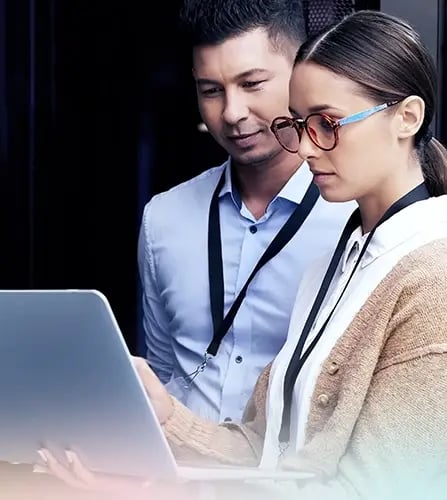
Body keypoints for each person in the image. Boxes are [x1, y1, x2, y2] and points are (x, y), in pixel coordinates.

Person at [42, 10, 447, 500]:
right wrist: (164, 414)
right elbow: (268, 456)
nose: (307, 146)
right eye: (298, 124)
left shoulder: (446, 281)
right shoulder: (338, 263)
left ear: (407, 117)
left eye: (327, 123)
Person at [139, 0, 355, 425]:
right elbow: (161, 375)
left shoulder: (355, 217)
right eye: (211, 90)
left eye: (252, 83)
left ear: (302, 76)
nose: (232, 113)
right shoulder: (163, 218)